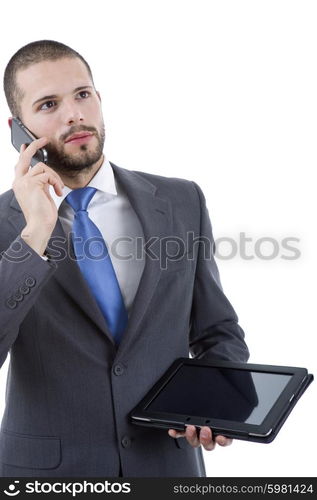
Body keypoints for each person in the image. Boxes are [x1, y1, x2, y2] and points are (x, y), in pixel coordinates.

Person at [0, 40, 249, 477]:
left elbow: (217, 330)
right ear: (19, 130)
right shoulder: (7, 224)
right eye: (48, 104)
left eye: (82, 95)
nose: (73, 114)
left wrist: (215, 396)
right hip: (48, 475)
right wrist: (34, 234)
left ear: (99, 100)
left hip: (166, 467)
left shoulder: (180, 200)